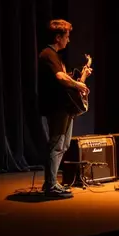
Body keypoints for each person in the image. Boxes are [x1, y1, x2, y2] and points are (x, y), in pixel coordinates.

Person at [37, 19, 91, 198]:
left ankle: (53, 183)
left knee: (64, 144)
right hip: (56, 107)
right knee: (57, 143)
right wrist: (78, 84)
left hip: (64, 107)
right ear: (58, 37)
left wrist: (81, 78)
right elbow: (60, 77)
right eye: (67, 36)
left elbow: (68, 84)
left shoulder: (57, 56)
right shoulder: (48, 54)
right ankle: (50, 185)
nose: (69, 40)